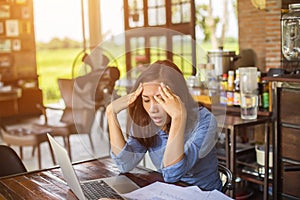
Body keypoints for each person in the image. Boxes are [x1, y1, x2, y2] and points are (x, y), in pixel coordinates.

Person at [106, 59, 222, 191]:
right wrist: (110, 112)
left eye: (160, 99)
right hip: (169, 192)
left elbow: (172, 174)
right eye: (146, 100)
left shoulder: (205, 121)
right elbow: (124, 164)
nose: (152, 109)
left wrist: (178, 117)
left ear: (177, 97)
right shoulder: (146, 120)